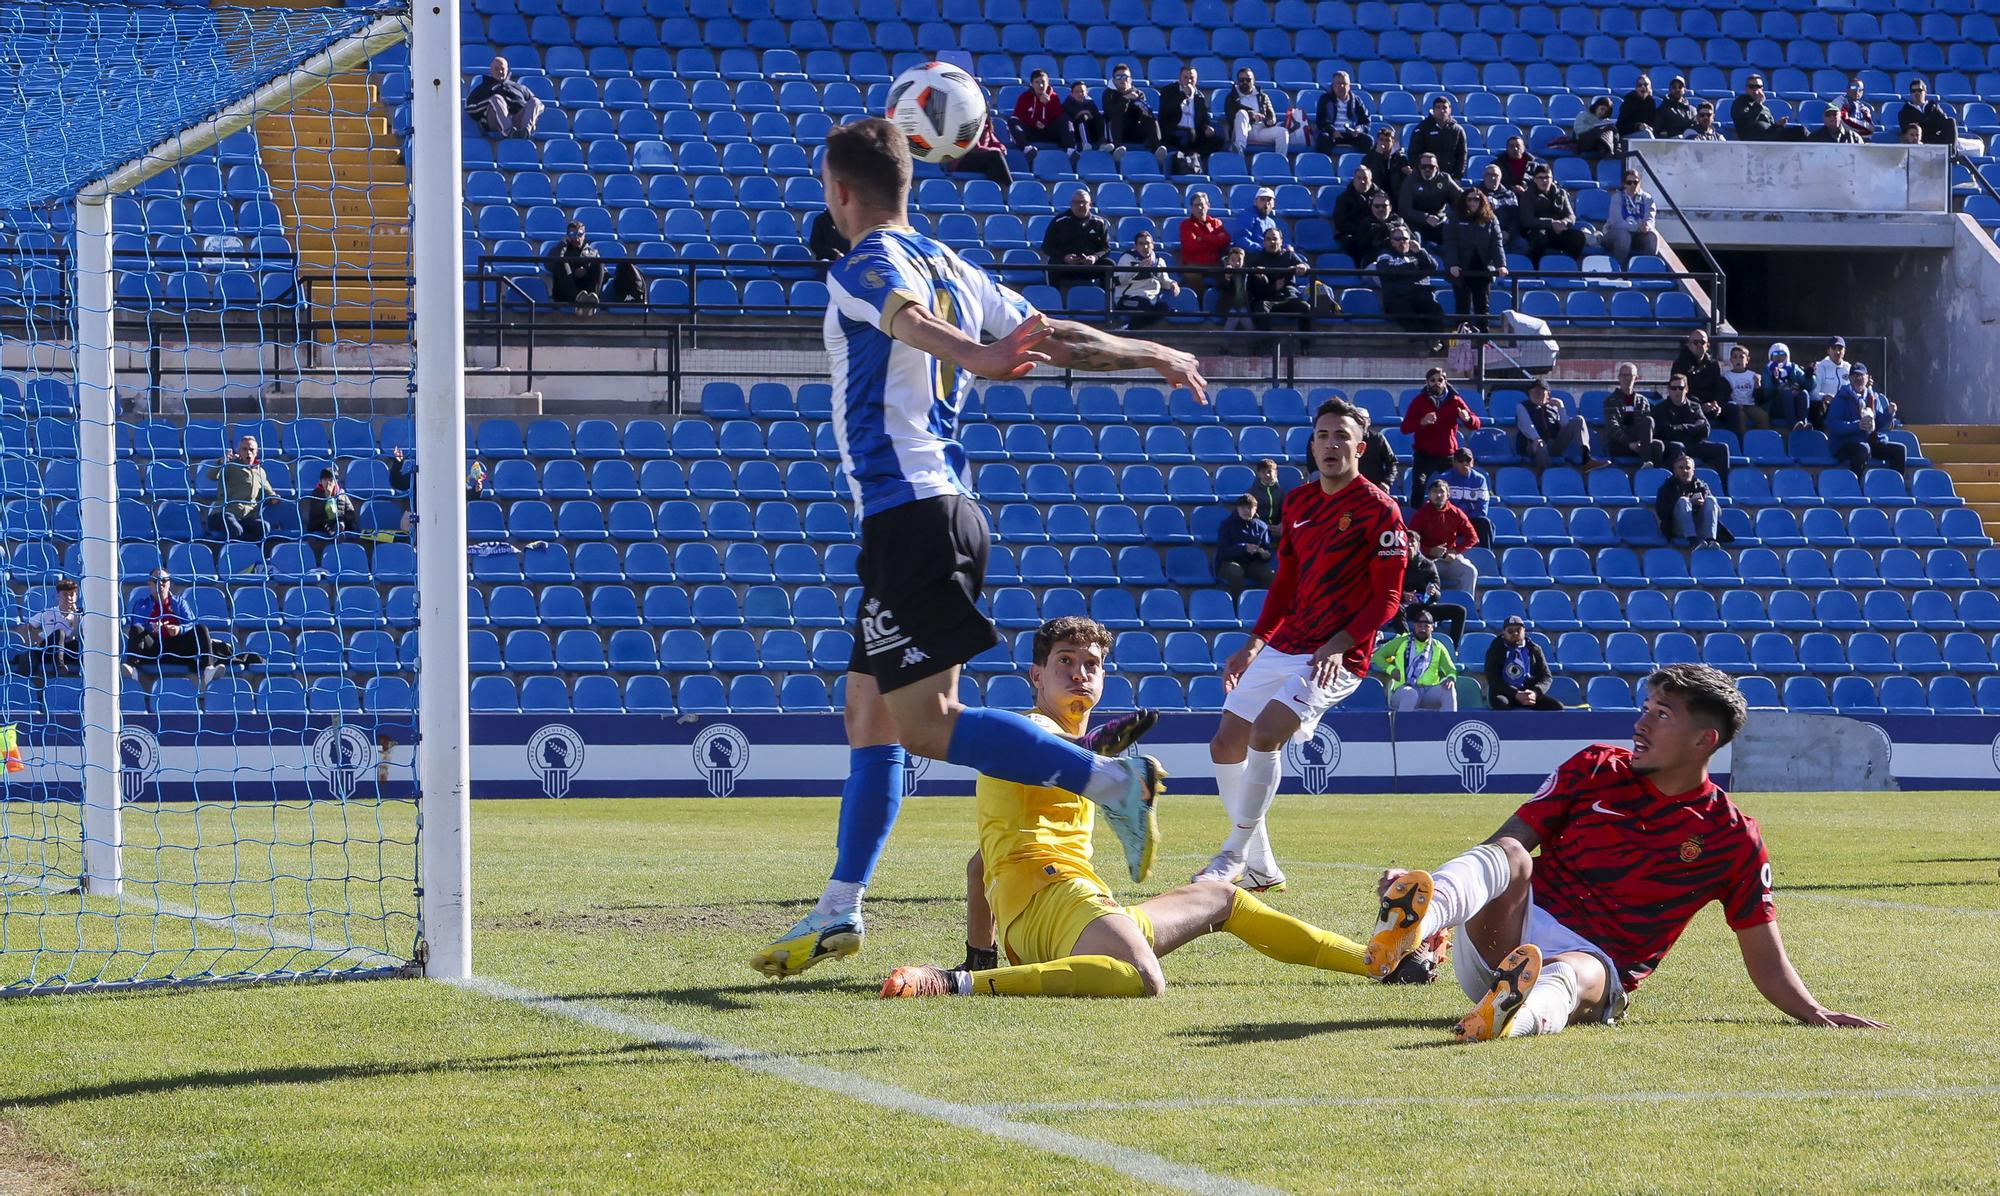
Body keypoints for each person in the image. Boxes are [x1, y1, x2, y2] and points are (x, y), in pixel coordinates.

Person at [751, 118, 1205, 979]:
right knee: (870, 714)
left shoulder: (867, 263)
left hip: (911, 515)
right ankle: (839, 911)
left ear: (839, 191)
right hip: (927, 514)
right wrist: (1154, 351)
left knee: (928, 724)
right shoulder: (955, 266)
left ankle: (1111, 783)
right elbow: (1059, 336)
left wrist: (979, 359)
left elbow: (908, 320)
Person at [879, 617, 1392, 1000]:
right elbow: (1049, 749)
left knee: (1220, 898)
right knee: (1146, 978)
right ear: (1036, 675)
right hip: (1048, 898)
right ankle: (958, 985)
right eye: (1064, 662)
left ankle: (1378, 961)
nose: (1080, 673)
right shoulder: (1025, 733)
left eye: (1092, 665)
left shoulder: (1067, 757)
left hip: (1068, 908)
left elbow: (978, 865)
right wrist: (966, 970)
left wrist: (983, 949)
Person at [1364, 664, 1884, 1040]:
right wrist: (1437, 898)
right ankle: (1420, 917)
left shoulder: (1732, 837)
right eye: (1645, 708)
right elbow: (1505, 845)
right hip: (1501, 936)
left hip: (1594, 964)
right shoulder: (1595, 765)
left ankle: (1508, 1017)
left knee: (1582, 969)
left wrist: (1814, 1011)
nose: (1641, 723)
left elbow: (1764, 956)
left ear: (1704, 739)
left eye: (1661, 714)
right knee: (1513, 854)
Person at [1193, 397, 1406, 891]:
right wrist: (1253, 644)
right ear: (1312, 444)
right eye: (1323, 435)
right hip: (1287, 640)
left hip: (1339, 653)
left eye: (1342, 437)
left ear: (1361, 445)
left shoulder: (1380, 510)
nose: (1331, 444)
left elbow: (1389, 600)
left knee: (1266, 734)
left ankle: (1232, 854)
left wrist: (1337, 645)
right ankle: (1263, 869)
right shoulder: (1300, 502)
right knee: (1225, 743)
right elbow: (1285, 583)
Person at [123, 569, 240, 687]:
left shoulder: (180, 602)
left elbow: (191, 623)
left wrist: (179, 629)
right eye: (155, 581)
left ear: (169, 583)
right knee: (136, 629)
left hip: (178, 648)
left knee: (201, 628)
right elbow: (137, 624)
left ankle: (208, 670)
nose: (160, 584)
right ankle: (132, 668)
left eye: (163, 580)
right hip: (153, 648)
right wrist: (150, 628)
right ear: (149, 584)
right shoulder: (142, 604)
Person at [1401, 365, 1480, 506]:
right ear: (1427, 382)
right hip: (1424, 454)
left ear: (1445, 381)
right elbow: (1405, 427)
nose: (1436, 383)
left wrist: (1468, 418)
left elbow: (1476, 424)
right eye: (1432, 380)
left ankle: (1453, 516)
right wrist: (1422, 422)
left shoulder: (1455, 400)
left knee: (1453, 488)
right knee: (1419, 486)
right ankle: (1416, 519)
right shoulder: (1419, 401)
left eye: (1440, 379)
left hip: (1447, 454)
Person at [1441, 188, 1505, 331]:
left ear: (1482, 201)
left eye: (1476, 199)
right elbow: (1450, 243)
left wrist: (1501, 264)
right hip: (1461, 269)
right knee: (1462, 308)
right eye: (1469, 199)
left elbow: (1497, 243)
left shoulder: (1491, 218)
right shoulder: (1454, 217)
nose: (1472, 202)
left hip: (1483, 269)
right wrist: (1453, 264)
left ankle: (1484, 342)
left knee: (1482, 308)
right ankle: (1461, 344)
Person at [1373, 225, 1447, 348]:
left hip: (1419, 294)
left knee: (1433, 308)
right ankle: (1423, 342)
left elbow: (1432, 266)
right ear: (1391, 241)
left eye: (1405, 238)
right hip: (1397, 297)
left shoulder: (1416, 253)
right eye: (1397, 239)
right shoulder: (1386, 254)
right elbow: (1386, 270)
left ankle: (1437, 341)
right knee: (1405, 311)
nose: (1402, 241)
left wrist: (1420, 251)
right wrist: (1413, 268)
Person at [1373, 609, 1459, 712]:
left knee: (1449, 691)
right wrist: (1391, 669)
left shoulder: (1438, 646)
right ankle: (1403, 727)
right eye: (1419, 626)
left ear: (1432, 628)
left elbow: (1450, 669)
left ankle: (1448, 726)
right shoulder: (1401, 641)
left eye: (1426, 626)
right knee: (1411, 694)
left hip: (1429, 691)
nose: (1422, 629)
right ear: (1414, 626)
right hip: (1404, 690)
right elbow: (1377, 656)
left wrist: (1450, 678)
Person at [1827, 363, 1906, 474]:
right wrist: (1857, 425)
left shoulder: (1872, 397)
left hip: (1868, 441)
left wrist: (1889, 414)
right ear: (1849, 378)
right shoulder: (1841, 398)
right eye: (1854, 375)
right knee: (1863, 449)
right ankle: (1855, 487)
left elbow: (1878, 424)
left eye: (1861, 375)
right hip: (1844, 444)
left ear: (1867, 378)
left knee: (1899, 450)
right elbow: (1834, 425)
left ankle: (1895, 486)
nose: (1858, 378)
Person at [1409, 476, 1479, 597]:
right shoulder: (1421, 514)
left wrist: (1455, 552)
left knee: (1470, 571)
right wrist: (1429, 550)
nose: (1438, 495)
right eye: (1435, 492)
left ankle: (1466, 605)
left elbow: (1472, 537)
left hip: (1449, 559)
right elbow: (1409, 538)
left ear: (1448, 495)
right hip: (1427, 560)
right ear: (1429, 495)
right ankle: (1426, 606)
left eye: (1442, 491)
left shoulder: (1456, 513)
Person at [1393, 536, 1466, 645]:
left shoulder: (1428, 565)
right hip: (1403, 606)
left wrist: (1432, 592)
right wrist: (1403, 596)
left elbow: (1436, 594)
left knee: (1459, 611)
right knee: (1396, 609)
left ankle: (1453, 648)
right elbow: (1388, 590)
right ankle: (1406, 644)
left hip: (1424, 606)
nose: (1409, 545)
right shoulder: (1395, 564)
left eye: (1412, 542)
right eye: (1406, 543)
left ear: (1418, 545)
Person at [1515, 380, 1599, 471]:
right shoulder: (1522, 406)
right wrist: (1536, 438)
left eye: (1540, 392)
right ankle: (1546, 476)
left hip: (1554, 443)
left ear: (1548, 394)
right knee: (1541, 445)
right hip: (1532, 445)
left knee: (1579, 419)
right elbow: (1526, 425)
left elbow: (1565, 425)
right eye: (1533, 392)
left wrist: (1560, 407)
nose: (1536, 394)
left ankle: (1586, 458)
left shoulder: (1553, 408)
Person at [205, 435, 277, 542]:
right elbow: (211, 476)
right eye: (244, 449)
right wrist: (220, 462)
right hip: (223, 513)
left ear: (256, 452)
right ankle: (233, 555)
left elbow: (269, 492)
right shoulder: (230, 466)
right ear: (239, 451)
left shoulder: (260, 472)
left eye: (251, 449)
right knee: (235, 529)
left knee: (264, 527)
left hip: (245, 517)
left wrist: (274, 498)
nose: (248, 452)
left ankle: (255, 555)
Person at [1482, 615, 1562, 711]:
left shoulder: (1534, 649)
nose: (1515, 633)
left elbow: (1546, 676)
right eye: (1510, 631)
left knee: (1556, 706)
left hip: (1529, 694)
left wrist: (1535, 693)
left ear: (1524, 631)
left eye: (1518, 630)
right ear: (1504, 633)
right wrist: (1515, 693)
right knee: (1500, 703)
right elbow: (1493, 679)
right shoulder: (1494, 650)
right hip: (1504, 693)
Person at [1657, 374, 1730, 475]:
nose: (1677, 391)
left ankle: (1724, 486)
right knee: (1678, 446)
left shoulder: (1695, 406)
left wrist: (1681, 427)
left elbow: (1705, 430)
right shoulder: (1661, 408)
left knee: (1722, 448)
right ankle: (1679, 486)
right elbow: (1667, 432)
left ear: (1686, 389)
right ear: (1669, 390)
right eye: (1673, 388)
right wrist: (1692, 427)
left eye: (1681, 388)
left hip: (1693, 444)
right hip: (1672, 446)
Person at [1247, 226, 1312, 340]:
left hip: (1288, 297)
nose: (1272, 242)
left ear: (1281, 241)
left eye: (1275, 239)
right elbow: (1252, 286)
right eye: (1268, 239)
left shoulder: (1289, 255)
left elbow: (1305, 266)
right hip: (1267, 298)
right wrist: (1272, 286)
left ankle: (1305, 345)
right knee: (1260, 307)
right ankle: (1266, 345)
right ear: (1264, 242)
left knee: (1305, 307)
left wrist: (1303, 267)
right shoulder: (1257, 259)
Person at [1041, 188, 1112, 287]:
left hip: (1089, 266)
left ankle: (1108, 299)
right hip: (1066, 266)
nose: (1080, 205)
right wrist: (1064, 257)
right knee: (1052, 263)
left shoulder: (1100, 223)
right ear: (1071, 204)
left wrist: (1094, 257)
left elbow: (1106, 248)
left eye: (1084, 202)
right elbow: (1046, 246)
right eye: (1076, 202)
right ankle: (1054, 299)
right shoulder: (1059, 221)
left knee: (1109, 264)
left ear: (1090, 204)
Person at [16, 577, 81, 682]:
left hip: (68, 650)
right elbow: (25, 627)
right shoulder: (49, 613)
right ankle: (59, 666)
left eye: (72, 594)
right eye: (65, 594)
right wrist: (38, 637)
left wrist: (76, 616)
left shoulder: (79, 615)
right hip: (48, 649)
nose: (69, 598)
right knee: (59, 633)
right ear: (58, 596)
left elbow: (77, 635)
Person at [1158, 64, 1222, 170]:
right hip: (1173, 131)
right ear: (1179, 78)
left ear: (1196, 80)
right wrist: (1183, 95)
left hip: (1195, 132)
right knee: (1188, 134)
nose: (1188, 81)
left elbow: (1203, 119)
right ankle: (1187, 159)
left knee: (1218, 138)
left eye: (1191, 78)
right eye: (1185, 77)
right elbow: (1166, 111)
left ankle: (1194, 157)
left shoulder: (1199, 96)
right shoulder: (1168, 91)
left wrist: (1207, 127)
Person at [1110, 229, 1178, 328]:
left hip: (1150, 300)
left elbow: (1164, 280)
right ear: (1136, 246)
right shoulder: (1127, 258)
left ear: (1153, 245)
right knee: (1144, 306)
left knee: (1164, 308)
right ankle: (1127, 329)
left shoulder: (1159, 261)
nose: (1145, 247)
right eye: (1141, 244)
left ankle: (1128, 328)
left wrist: (1173, 284)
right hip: (1127, 299)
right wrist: (1137, 268)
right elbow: (1118, 281)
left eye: (1148, 243)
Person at [1519, 164, 1586, 265]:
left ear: (1552, 178)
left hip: (1558, 230)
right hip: (1537, 230)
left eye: (1547, 177)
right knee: (1539, 239)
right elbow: (1527, 219)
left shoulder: (1561, 193)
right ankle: (1536, 270)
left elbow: (1571, 216)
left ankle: (1567, 265)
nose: (1544, 181)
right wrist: (1551, 223)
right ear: (1535, 180)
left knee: (1578, 237)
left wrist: (1564, 223)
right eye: (1541, 178)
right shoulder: (1528, 195)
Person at [1604, 361, 1664, 465]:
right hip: (1620, 444)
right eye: (1623, 375)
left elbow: (1648, 428)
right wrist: (1630, 443)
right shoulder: (1611, 400)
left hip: (1640, 443)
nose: (1626, 379)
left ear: (1636, 378)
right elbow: (1613, 426)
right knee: (1648, 424)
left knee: (1658, 445)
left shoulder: (1643, 401)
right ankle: (1646, 461)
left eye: (1629, 375)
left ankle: (1652, 474)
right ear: (1619, 378)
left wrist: (1640, 443)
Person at [464, 56, 540, 137]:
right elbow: (470, 108)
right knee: (497, 98)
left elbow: (538, 106)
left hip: (516, 120)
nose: (500, 71)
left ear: (507, 70)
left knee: (535, 101)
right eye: (496, 69)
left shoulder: (519, 87)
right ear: (491, 70)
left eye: (502, 68)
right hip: (495, 121)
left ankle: (525, 131)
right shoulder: (483, 88)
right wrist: (490, 101)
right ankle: (508, 132)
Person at [1397, 153, 1462, 248]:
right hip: (1416, 224)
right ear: (1419, 167)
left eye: (1431, 167)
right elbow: (1404, 209)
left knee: (1456, 236)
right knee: (1414, 241)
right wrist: (1425, 218)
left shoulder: (1445, 179)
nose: (1427, 169)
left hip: (1439, 222)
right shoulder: (1410, 181)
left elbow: (1461, 199)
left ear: (1437, 168)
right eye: (1424, 167)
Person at [1655, 453, 1721, 546]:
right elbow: (1662, 512)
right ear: (1675, 471)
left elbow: (1718, 512)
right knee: (1683, 501)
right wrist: (1689, 503)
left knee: (1711, 499)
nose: (1685, 471)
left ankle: (1711, 540)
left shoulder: (1701, 486)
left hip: (1699, 526)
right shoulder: (1667, 488)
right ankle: (1693, 542)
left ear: (1693, 471)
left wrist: (1703, 503)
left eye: (1688, 468)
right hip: (1678, 527)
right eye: (1681, 468)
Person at [1670, 327, 1733, 423]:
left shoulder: (1713, 364)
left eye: (1702, 342)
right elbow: (1679, 389)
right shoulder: (1679, 364)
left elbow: (1718, 387)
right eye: (1695, 342)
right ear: (1689, 345)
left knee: (1734, 410)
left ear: (1707, 346)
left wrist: (1716, 403)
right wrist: (1701, 405)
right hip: (1690, 405)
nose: (1699, 345)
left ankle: (1741, 438)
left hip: (1712, 404)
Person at [1223, 67, 1289, 157]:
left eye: (1248, 80)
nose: (1245, 82)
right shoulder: (1231, 97)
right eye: (1242, 80)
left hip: (1261, 129)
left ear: (1253, 81)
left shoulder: (1263, 96)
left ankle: (1280, 161)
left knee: (1283, 132)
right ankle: (1239, 150)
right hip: (1242, 131)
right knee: (1242, 113)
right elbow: (1230, 116)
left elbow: (1272, 117)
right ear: (1237, 82)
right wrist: (1251, 115)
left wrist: (1268, 121)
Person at [1214, 494, 1274, 591]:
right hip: (1228, 563)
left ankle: (1260, 602)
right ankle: (1237, 604)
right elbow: (1222, 552)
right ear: (1237, 509)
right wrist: (1244, 548)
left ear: (1255, 509)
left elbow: (1266, 549)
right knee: (1236, 572)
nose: (1246, 511)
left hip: (1251, 563)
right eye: (1243, 507)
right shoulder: (1227, 525)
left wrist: (1265, 555)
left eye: (1250, 507)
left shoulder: (1262, 527)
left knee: (1270, 576)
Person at [545, 220, 604, 314]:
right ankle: (578, 302)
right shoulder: (560, 249)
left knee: (598, 261)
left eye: (580, 234)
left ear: (584, 235)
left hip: (585, 289)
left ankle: (592, 301)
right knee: (561, 261)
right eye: (573, 234)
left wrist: (586, 270)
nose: (577, 237)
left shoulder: (593, 252)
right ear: (567, 236)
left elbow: (602, 273)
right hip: (565, 293)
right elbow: (549, 265)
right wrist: (563, 244)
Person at [1177, 191, 1230, 293]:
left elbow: (1225, 241)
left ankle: (1225, 304)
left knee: (1230, 274)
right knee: (1192, 275)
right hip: (1194, 264)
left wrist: (1203, 238)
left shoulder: (1216, 223)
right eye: (1196, 205)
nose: (1200, 208)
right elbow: (1191, 246)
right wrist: (1215, 241)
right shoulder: (1186, 225)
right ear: (1191, 208)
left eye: (1202, 204)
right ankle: (1202, 304)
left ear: (1208, 205)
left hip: (1215, 264)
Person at [1602, 168, 1658, 265]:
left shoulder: (1647, 198)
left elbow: (1650, 217)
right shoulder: (1617, 197)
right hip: (1615, 233)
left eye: (1635, 182)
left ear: (1639, 183)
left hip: (1639, 234)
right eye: (1629, 182)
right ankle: (1618, 269)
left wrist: (1647, 226)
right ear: (1624, 184)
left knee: (1652, 236)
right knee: (1624, 237)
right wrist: (1637, 227)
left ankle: (1647, 269)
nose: (1632, 185)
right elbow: (1616, 222)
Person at [1010, 70, 1073, 156]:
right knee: (1012, 120)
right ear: (1032, 84)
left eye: (1043, 82)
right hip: (1031, 132)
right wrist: (1034, 122)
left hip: (1049, 132)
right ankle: (1027, 149)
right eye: (1037, 82)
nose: (1041, 85)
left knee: (1065, 118)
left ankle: (1070, 150)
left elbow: (1059, 116)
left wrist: (1048, 104)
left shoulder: (1053, 97)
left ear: (1048, 83)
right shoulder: (1025, 97)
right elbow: (1018, 116)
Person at [1332, 166, 1388, 263]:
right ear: (1354, 180)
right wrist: (1363, 230)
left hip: (1377, 231)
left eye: (1365, 178)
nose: (1362, 182)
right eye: (1359, 178)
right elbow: (1340, 222)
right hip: (1354, 233)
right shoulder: (1343, 198)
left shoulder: (1381, 196)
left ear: (1371, 180)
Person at [1101, 64, 1161, 152]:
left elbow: (1144, 112)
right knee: (1116, 118)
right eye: (1118, 77)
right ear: (1113, 79)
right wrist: (1125, 99)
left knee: (1150, 117)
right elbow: (1111, 113)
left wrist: (1143, 109)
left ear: (1130, 79)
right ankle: (1117, 149)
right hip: (1115, 131)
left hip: (1133, 130)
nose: (1122, 79)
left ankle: (1157, 148)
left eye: (1125, 76)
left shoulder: (1138, 93)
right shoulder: (1108, 94)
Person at [942, 113, 1012, 188]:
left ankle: (994, 193)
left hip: (978, 161)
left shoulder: (986, 126)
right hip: (960, 162)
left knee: (992, 165)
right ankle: (1011, 186)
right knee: (995, 154)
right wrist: (996, 150)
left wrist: (1001, 148)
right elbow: (975, 148)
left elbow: (996, 143)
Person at [1407, 95, 1467, 180]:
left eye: (1444, 107)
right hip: (1426, 177)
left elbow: (1462, 155)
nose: (1441, 110)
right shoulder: (1422, 128)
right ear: (1433, 110)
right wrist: (1420, 174)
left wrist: (1457, 177)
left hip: (1449, 178)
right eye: (1438, 107)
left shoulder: (1457, 130)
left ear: (1450, 110)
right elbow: (1413, 154)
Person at [1732, 76, 1807, 143]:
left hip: (1769, 137)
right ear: (1746, 89)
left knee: (1801, 130)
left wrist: (1777, 125)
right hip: (1754, 140)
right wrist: (1758, 104)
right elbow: (1746, 124)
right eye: (1752, 87)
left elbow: (1770, 129)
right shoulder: (1740, 102)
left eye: (1758, 87)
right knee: (1800, 131)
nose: (1755, 90)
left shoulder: (1765, 108)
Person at [1441, 447, 1490, 549]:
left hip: (1471, 520)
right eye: (1460, 460)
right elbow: (1442, 505)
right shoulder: (1444, 479)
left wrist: (1465, 519)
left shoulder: (1480, 480)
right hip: (1452, 520)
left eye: (1468, 460)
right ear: (1454, 462)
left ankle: (1488, 555)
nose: (1465, 463)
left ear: (1472, 462)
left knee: (1485, 523)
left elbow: (1482, 510)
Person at [1314, 71, 1372, 152]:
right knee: (1323, 139)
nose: (1341, 86)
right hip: (1332, 134)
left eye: (1344, 83)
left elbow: (1366, 121)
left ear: (1349, 86)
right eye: (1338, 83)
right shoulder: (1325, 99)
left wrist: (1359, 129)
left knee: (1368, 140)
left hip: (1351, 135)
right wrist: (1332, 131)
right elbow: (1320, 121)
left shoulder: (1357, 100)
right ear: (1333, 85)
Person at [1719, 343, 1769, 436]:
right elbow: (1725, 396)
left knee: (1763, 415)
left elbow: (1760, 399)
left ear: (1747, 360)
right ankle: (1744, 443)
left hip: (1750, 405)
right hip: (1736, 406)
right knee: (1740, 417)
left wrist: (1758, 385)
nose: (1738, 360)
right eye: (1735, 357)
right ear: (1731, 360)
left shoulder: (1753, 375)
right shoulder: (1726, 377)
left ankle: (1763, 440)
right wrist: (1734, 405)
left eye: (1741, 357)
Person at [1763, 341, 1815, 430]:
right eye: (1776, 355)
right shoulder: (1768, 369)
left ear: (1787, 356)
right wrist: (1775, 382)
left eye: (1782, 355)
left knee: (1804, 393)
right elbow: (1767, 392)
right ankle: (1793, 425)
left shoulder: (1793, 367)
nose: (1779, 358)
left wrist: (1809, 377)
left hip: (1794, 403)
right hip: (1776, 405)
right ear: (1770, 357)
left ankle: (1803, 423)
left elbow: (1809, 386)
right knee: (1787, 393)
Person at [1472, 163, 1521, 248]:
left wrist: (1508, 233)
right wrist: (1495, 234)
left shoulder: (1509, 194)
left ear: (1500, 178)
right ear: (1483, 177)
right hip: (1485, 234)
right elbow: (1474, 217)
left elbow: (1515, 218)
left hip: (1507, 233)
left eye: (1495, 175)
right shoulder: (1475, 194)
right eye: (1489, 175)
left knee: (1523, 245)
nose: (1493, 178)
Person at [1898, 79, 1959, 147]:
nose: (1916, 93)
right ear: (1911, 94)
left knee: (1950, 121)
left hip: (1936, 139)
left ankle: (1951, 154)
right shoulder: (1905, 111)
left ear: (1925, 92)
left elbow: (1943, 122)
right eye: (1913, 91)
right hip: (1919, 141)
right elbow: (1907, 132)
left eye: (1919, 90)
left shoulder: (1933, 106)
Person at [302, 467, 359, 537]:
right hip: (321, 523)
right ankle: (335, 534)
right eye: (325, 479)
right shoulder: (316, 493)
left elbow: (350, 513)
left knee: (341, 523)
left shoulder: (341, 493)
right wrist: (327, 497)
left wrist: (342, 520)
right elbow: (315, 511)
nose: (328, 483)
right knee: (326, 525)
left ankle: (339, 533)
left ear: (336, 482)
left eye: (331, 480)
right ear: (320, 481)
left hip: (338, 522)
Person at [1212, 245, 1255, 331]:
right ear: (1228, 261)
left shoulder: (1248, 273)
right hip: (1228, 305)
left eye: (1239, 260)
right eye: (1233, 260)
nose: (1237, 263)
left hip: (1243, 305)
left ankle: (1254, 342)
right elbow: (1219, 287)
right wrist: (1227, 278)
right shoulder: (1223, 271)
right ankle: (1225, 344)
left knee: (1245, 316)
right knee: (1233, 315)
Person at [1812, 335, 1851, 415]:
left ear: (1844, 351)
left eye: (1840, 349)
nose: (1837, 352)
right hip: (1826, 406)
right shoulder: (1820, 366)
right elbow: (1813, 394)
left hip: (1844, 406)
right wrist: (1824, 396)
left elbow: (1854, 390)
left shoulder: (1849, 368)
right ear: (1828, 350)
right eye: (1834, 348)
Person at [1234, 185, 1281, 251]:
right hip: (1252, 255)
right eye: (1262, 199)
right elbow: (1241, 239)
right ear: (1255, 201)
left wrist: (1286, 247)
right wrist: (1261, 250)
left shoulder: (1271, 222)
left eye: (1269, 200)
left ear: (1273, 204)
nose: (1266, 203)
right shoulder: (1247, 215)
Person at [1062, 80, 1105, 150]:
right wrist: (1085, 113)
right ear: (1072, 94)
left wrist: (1088, 114)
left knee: (1100, 117)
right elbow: (1075, 117)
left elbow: (1094, 116)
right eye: (1076, 92)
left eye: (1082, 91)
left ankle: (1103, 143)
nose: (1080, 94)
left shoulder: (1090, 102)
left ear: (1086, 93)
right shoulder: (1068, 103)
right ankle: (1085, 143)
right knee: (1082, 117)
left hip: (1089, 130)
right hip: (1074, 133)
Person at [1359, 424, 1398, 493]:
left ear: (1368, 422)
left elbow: (1392, 462)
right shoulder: (1347, 441)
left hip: (1376, 489)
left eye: (1363, 419)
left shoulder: (1377, 438)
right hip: (1352, 490)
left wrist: (1387, 482)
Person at [1617, 75, 1659, 139]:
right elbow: (1621, 126)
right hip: (1627, 135)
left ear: (1650, 88)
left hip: (1644, 134)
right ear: (1636, 88)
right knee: (1646, 134)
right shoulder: (1628, 102)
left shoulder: (1651, 102)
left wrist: (1651, 128)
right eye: (1639, 85)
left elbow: (1653, 122)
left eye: (1646, 85)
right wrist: (1637, 126)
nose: (1642, 87)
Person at [1246, 458, 1285, 526]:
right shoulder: (1252, 492)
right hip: (1259, 527)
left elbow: (1285, 511)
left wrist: (1281, 525)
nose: (1267, 475)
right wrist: (1264, 526)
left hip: (1278, 527)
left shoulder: (1281, 492)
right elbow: (1250, 514)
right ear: (1258, 474)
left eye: (1269, 471)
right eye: (1263, 472)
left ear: (1276, 473)